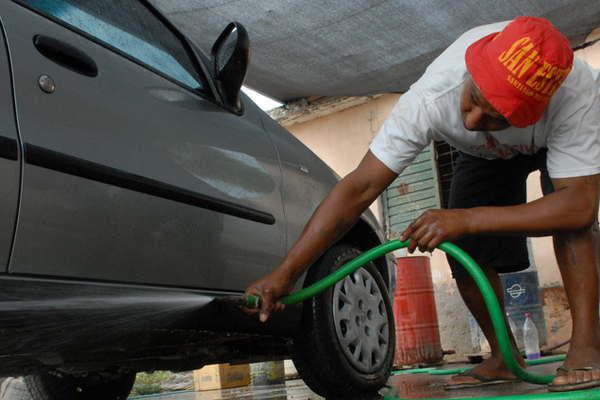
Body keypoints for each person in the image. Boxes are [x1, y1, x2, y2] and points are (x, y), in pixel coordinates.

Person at [245, 17, 600, 392]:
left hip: (559, 149)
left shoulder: (576, 95)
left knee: (573, 229)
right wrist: (286, 273)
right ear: (471, 69)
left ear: (537, 110)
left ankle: (587, 350)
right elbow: (359, 187)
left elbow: (578, 206)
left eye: (497, 118)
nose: (473, 119)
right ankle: (503, 358)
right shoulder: (433, 95)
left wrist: (466, 218)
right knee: (463, 247)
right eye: (474, 99)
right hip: (483, 157)